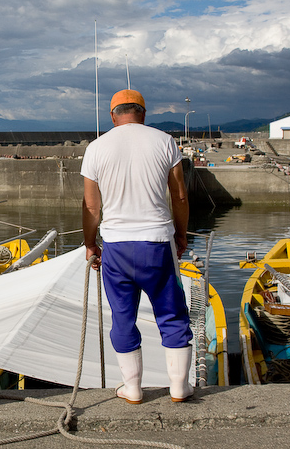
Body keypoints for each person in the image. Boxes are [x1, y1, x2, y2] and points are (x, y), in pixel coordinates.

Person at [81, 89, 194, 404]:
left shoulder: (96, 148)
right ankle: (179, 387)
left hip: (116, 247)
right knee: (171, 313)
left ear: (113, 116)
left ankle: (132, 389)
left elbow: (91, 207)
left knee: (122, 317)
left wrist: (91, 245)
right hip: (157, 242)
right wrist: (181, 235)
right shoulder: (164, 142)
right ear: (143, 113)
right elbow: (180, 196)